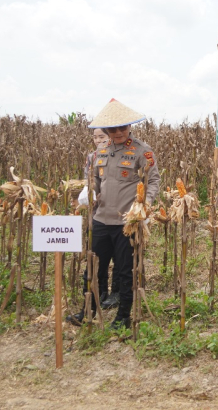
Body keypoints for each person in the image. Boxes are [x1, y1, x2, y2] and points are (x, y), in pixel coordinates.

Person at [69, 99, 160, 330]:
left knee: (125, 270)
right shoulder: (100, 152)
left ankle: (123, 316)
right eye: (113, 129)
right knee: (93, 268)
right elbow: (95, 179)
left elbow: (153, 181)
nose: (118, 133)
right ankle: (88, 310)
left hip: (126, 222)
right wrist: (89, 193)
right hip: (101, 219)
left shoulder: (142, 151)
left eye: (122, 127)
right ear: (107, 130)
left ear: (129, 126)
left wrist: (145, 205)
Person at [78, 128, 120, 310]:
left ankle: (117, 291)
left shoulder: (122, 154)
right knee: (97, 253)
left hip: (117, 210)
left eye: (101, 136)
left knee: (118, 253)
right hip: (98, 211)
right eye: (94, 137)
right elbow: (90, 179)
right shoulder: (92, 157)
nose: (97, 140)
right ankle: (100, 289)